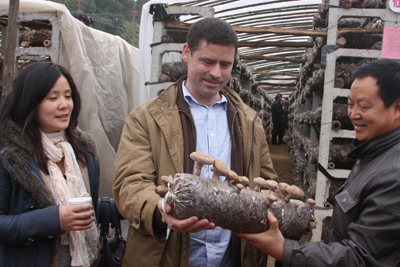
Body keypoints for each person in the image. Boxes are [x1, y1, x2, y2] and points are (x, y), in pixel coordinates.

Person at [113, 18, 278, 267]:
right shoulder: (146, 118)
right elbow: (129, 183)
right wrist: (161, 211)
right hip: (165, 256)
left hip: (232, 257)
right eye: (208, 62)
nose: (216, 73)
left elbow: (265, 182)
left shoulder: (250, 123)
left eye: (226, 65)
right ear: (187, 53)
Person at [235, 58, 400, 266]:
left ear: (397, 108)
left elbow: (362, 258)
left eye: (364, 106)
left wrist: (285, 250)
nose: (353, 114)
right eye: (350, 104)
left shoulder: (393, 174)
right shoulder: (373, 153)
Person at [0, 62, 100, 267]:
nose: (64, 104)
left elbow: (91, 208)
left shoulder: (81, 151)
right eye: (52, 98)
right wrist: (54, 220)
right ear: (30, 102)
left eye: (68, 95)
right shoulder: (8, 155)